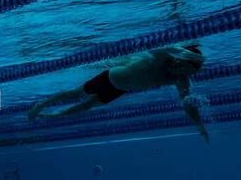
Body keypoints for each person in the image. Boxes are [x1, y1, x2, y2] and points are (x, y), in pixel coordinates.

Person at [26, 44, 210, 140]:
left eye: (189, 74)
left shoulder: (179, 80)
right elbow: (159, 47)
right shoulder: (163, 58)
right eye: (186, 69)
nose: (186, 75)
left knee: (85, 106)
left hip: (119, 89)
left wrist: (199, 124)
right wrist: (188, 53)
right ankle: (40, 105)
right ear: (182, 60)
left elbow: (188, 103)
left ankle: (49, 116)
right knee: (74, 95)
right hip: (108, 77)